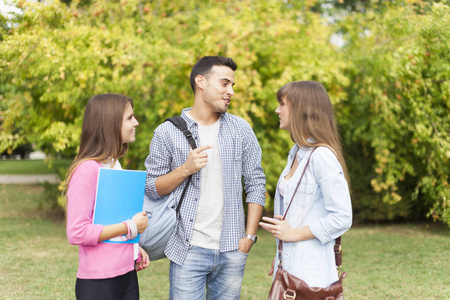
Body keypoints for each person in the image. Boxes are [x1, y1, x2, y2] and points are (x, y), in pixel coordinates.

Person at [145, 56, 266, 299]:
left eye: (232, 85)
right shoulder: (167, 132)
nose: (230, 91)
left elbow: (256, 182)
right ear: (201, 81)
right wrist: (185, 169)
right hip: (186, 248)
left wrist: (249, 238)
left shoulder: (241, 129)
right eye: (224, 83)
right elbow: (151, 188)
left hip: (233, 248)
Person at [259, 81, 352, 288]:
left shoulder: (322, 156)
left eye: (282, 104)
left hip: (312, 274)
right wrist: (281, 256)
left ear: (301, 109)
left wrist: (292, 234)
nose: (277, 110)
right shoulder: (295, 153)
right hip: (290, 268)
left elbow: (342, 217)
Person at [65, 93, 150, 300]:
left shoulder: (113, 164)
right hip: (99, 282)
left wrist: (133, 247)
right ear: (110, 123)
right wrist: (130, 226)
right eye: (130, 118)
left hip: (126, 273)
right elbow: (77, 232)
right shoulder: (87, 170)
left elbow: (110, 219)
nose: (136, 122)